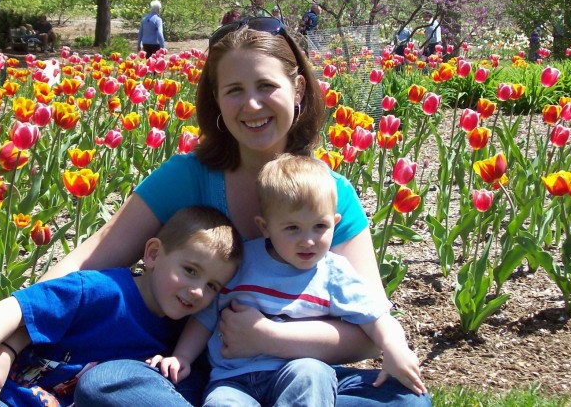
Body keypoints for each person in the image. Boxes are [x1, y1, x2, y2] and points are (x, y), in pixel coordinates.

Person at [0, 16, 430, 407]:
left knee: (406, 401)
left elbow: (367, 334)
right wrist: (9, 347)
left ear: (298, 89)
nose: (252, 104)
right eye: (233, 90)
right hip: (194, 375)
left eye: (266, 85)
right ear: (216, 101)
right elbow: (86, 263)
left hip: (305, 373)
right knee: (109, 381)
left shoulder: (330, 194)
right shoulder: (187, 176)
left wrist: (265, 336)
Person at [149, 155, 426, 406]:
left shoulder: (333, 272)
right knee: (222, 403)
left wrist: (394, 347)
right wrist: (182, 356)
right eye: (292, 228)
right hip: (234, 379)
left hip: (298, 373)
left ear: (335, 222)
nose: (308, 240)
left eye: (320, 227)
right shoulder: (242, 263)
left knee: (314, 373)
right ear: (265, 227)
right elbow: (206, 316)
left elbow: (375, 315)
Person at [0, 207, 243, 407]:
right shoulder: (98, 290)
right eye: (190, 270)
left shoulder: (176, 336)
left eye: (213, 286)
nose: (198, 291)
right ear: (153, 254)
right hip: (10, 396)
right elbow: (15, 307)